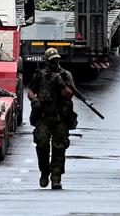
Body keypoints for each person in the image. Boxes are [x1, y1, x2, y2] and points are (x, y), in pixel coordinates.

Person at [28, 47, 78, 190]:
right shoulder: (40, 75)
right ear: (46, 62)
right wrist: (34, 99)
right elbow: (31, 90)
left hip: (60, 118)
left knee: (59, 147)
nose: (54, 63)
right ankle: (44, 171)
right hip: (43, 117)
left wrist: (60, 83)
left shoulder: (65, 75)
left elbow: (69, 95)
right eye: (52, 61)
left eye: (56, 60)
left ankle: (56, 177)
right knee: (42, 144)